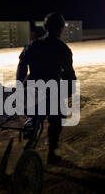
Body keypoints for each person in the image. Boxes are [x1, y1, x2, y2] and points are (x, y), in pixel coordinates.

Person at [17, 13, 76, 165]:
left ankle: (28, 142)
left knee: (32, 116)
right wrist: (69, 91)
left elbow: (21, 67)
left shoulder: (32, 45)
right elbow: (69, 73)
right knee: (57, 119)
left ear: (45, 27)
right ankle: (51, 154)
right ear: (61, 28)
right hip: (52, 90)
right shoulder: (63, 49)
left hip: (32, 88)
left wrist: (19, 86)